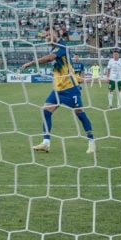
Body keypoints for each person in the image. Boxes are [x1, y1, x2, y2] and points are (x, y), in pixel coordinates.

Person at [21, 26, 95, 154]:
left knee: (81, 115)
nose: (48, 37)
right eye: (46, 36)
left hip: (70, 89)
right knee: (45, 112)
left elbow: (50, 58)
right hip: (57, 90)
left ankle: (91, 143)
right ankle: (46, 143)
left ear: (56, 33)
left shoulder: (62, 46)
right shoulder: (54, 47)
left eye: (49, 34)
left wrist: (32, 63)